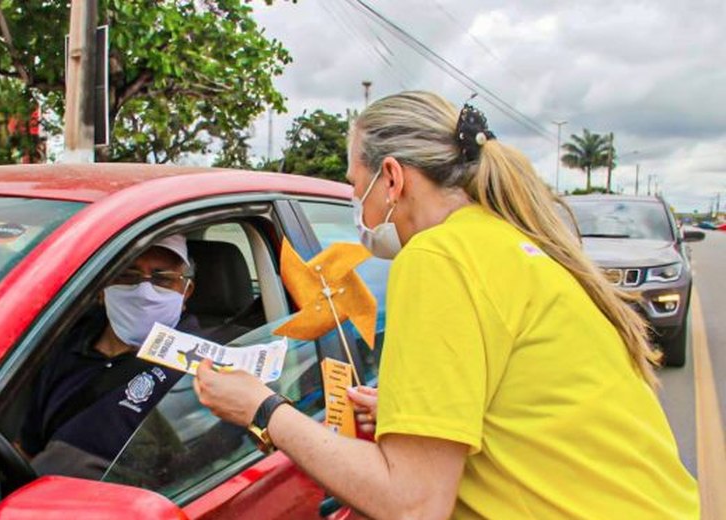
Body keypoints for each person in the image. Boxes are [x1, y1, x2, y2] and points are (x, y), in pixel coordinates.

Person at [193, 91, 699, 519]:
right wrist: (409, 414)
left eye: (353, 185)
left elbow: (413, 504)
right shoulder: (506, 242)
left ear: (391, 179)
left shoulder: (438, 258)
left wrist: (263, 408)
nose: (356, 208)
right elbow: (527, 408)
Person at [19, 235, 200, 478]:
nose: (144, 291)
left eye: (162, 279)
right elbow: (27, 447)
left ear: (186, 292)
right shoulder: (63, 343)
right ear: (102, 290)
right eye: (127, 275)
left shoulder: (198, 363)